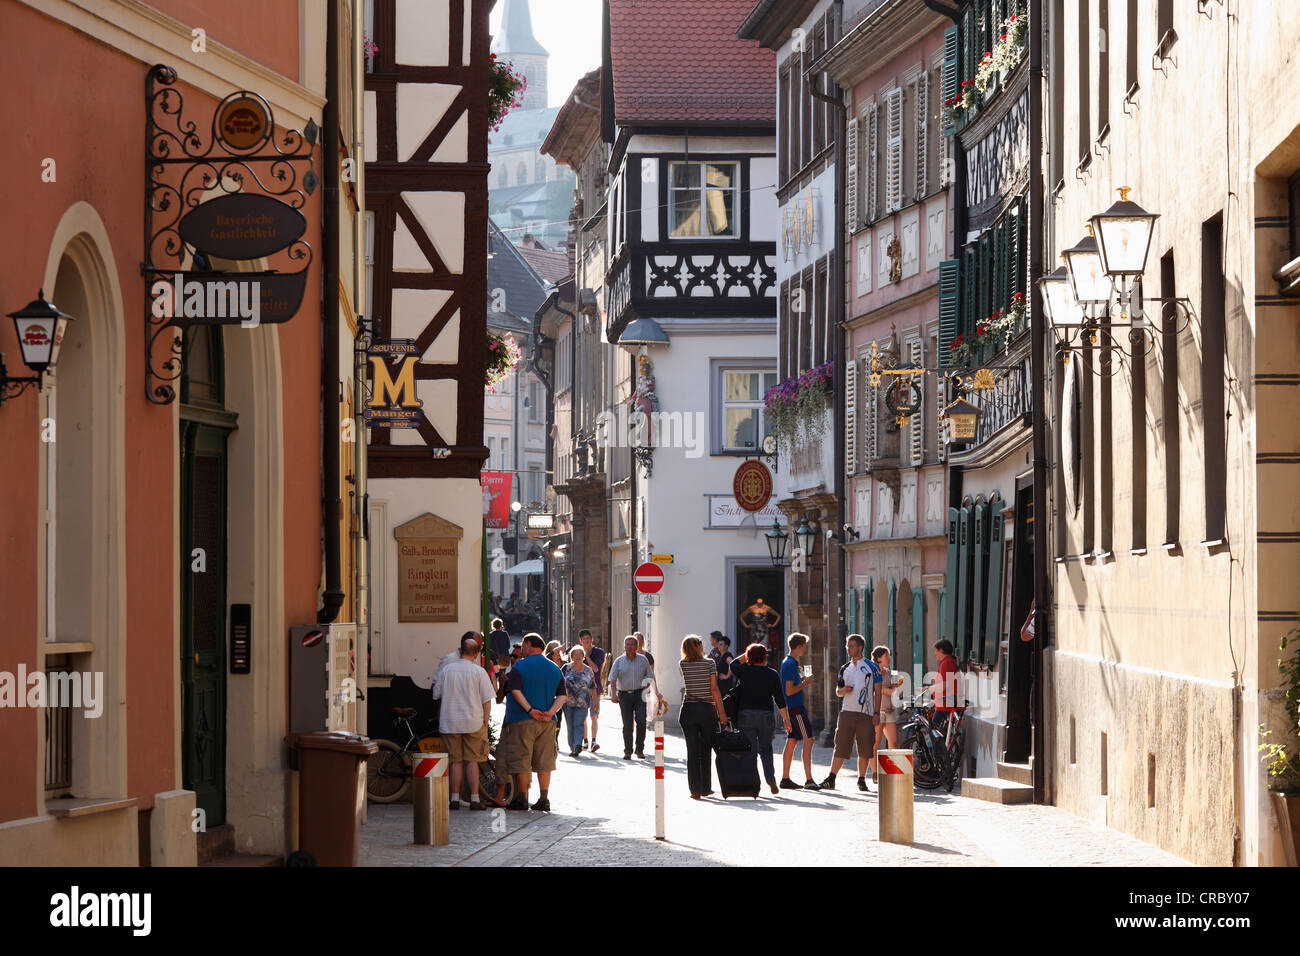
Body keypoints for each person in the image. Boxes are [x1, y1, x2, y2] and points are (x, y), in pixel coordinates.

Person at [501, 633, 566, 812]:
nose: (521, 649)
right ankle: (544, 798)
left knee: (522, 757)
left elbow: (515, 691)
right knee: (545, 760)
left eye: (523, 645)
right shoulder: (554, 668)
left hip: (522, 719)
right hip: (547, 721)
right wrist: (550, 712)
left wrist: (530, 710)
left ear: (529, 645)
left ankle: (521, 798)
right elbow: (562, 695)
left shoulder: (520, 665)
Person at [437, 633, 496, 811]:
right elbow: (487, 699)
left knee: (455, 761)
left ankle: (454, 798)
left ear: (461, 650)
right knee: (472, 761)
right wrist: (485, 720)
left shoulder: (447, 670)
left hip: (450, 721)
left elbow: (436, 694)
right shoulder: (478, 672)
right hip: (473, 721)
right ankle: (475, 798)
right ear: (476, 653)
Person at [820, 634, 882, 792]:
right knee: (840, 746)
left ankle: (861, 779)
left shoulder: (872, 667)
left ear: (860, 647)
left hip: (866, 713)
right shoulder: (845, 668)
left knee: (865, 748)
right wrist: (843, 690)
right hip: (847, 712)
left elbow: (878, 691)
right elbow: (837, 691)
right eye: (847, 646)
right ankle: (831, 778)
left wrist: (876, 712)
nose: (848, 649)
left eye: (851, 646)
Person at [729, 643, 791, 795]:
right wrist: (786, 719)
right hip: (765, 716)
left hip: (746, 715)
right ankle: (770, 778)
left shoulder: (744, 671)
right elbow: (780, 700)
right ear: (765, 657)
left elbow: (733, 664)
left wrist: (746, 655)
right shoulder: (772, 674)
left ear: (749, 657)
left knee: (750, 751)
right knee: (766, 749)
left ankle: (754, 784)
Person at [678, 635, 730, 799]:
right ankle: (706, 787)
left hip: (689, 709)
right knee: (706, 748)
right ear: (699, 646)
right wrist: (722, 714)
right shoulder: (710, 663)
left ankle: (695, 789)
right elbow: (714, 689)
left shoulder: (683, 664)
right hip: (707, 709)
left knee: (692, 750)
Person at [778, 633, 820, 791]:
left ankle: (785, 778)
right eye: (805, 645)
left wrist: (803, 681)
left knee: (792, 740)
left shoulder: (790, 663)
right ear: (800, 646)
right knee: (808, 739)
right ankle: (808, 779)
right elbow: (789, 691)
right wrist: (805, 683)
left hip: (792, 707)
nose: (806, 648)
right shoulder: (790, 664)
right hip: (795, 708)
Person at [608, 636, 654, 759]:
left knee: (641, 721)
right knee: (627, 724)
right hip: (624, 695)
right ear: (624, 646)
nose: (629, 647)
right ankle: (628, 751)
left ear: (637, 646)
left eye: (632, 644)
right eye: (627, 644)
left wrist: (646, 687)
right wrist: (613, 694)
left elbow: (650, 675)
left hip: (640, 694)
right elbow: (612, 679)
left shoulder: (643, 660)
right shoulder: (619, 661)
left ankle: (639, 749)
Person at [866, 646, 902, 779]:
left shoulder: (889, 672)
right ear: (879, 658)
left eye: (889, 655)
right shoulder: (872, 672)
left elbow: (893, 690)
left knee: (894, 742)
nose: (889, 658)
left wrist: (897, 686)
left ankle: (893, 772)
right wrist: (888, 690)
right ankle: (875, 773)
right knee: (875, 743)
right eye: (886, 656)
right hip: (877, 711)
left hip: (890, 710)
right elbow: (873, 689)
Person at [561, 646, 598, 758]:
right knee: (570, 725)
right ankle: (573, 747)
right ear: (571, 656)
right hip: (567, 702)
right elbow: (558, 682)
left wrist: (595, 702)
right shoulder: (566, 668)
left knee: (579, 723)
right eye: (575, 654)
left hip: (583, 703)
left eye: (580, 654)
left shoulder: (588, 670)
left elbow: (593, 687)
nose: (577, 657)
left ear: (583, 656)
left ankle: (577, 745)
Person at [577, 629, 604, 752]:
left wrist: (586, 656)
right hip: (581, 690)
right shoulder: (576, 653)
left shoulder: (599, 652)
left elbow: (595, 669)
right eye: (584, 639)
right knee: (582, 717)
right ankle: (585, 741)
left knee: (594, 716)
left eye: (588, 638)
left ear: (592, 639)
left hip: (595, 689)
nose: (586, 641)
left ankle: (594, 741)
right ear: (580, 641)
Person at [929, 639, 960, 735]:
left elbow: (944, 685)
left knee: (932, 732)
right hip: (947, 703)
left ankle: (938, 750)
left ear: (941, 650)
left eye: (936, 651)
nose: (935, 654)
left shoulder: (946, 663)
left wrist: (930, 689)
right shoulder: (950, 661)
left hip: (945, 705)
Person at [488, 617, 511, 699]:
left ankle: (494, 691)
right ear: (501, 625)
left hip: (494, 657)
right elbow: (508, 646)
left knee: (494, 675)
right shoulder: (505, 634)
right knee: (502, 675)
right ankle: (501, 692)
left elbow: (489, 646)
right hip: (504, 657)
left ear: (493, 625)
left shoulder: (491, 635)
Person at [708, 631, 735, 696]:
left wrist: (727, 676)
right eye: (719, 644)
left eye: (721, 644)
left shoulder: (727, 655)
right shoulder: (722, 656)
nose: (718, 646)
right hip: (721, 685)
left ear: (726, 646)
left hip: (725, 686)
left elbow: (732, 664)